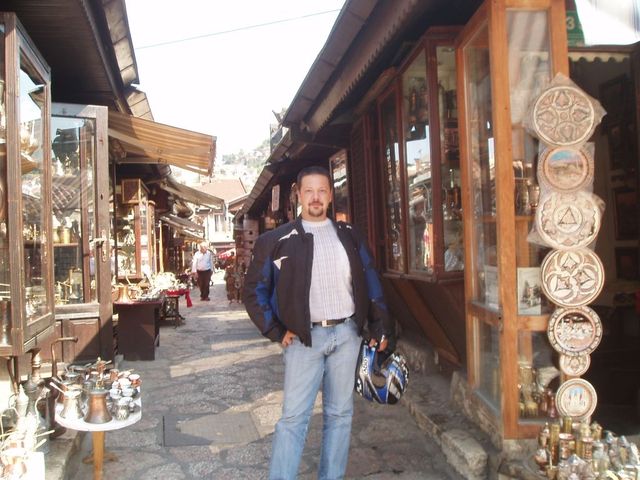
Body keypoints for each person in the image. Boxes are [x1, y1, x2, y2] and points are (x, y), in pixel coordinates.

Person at [243, 166, 393, 480]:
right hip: (302, 340)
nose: (315, 197)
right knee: (293, 419)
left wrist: (380, 325)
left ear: (330, 195)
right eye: (309, 191)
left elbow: (370, 280)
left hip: (347, 336)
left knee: (340, 415)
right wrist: (275, 330)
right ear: (298, 195)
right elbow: (253, 291)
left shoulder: (349, 235)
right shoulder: (276, 240)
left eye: (322, 190)